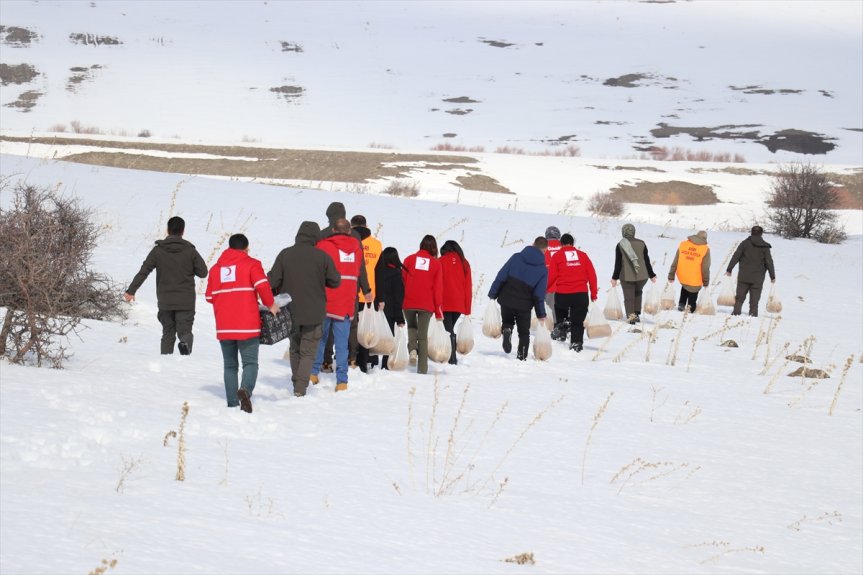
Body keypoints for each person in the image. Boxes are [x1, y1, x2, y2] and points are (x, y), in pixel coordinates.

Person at [205, 234, 279, 413]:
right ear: (246, 248)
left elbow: (208, 296)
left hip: (224, 324)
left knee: (230, 365)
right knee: (250, 363)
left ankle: (232, 403)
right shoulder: (252, 264)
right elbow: (263, 287)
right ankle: (244, 391)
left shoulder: (216, 269)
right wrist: (271, 305)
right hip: (247, 324)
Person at [268, 221, 341, 397]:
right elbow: (335, 281)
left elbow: (272, 281)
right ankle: (300, 388)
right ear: (316, 237)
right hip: (315, 312)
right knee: (308, 351)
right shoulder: (322, 256)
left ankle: (297, 383)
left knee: (294, 348)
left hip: (290, 311)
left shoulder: (285, 254)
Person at [124, 216, 208, 355]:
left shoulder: (158, 250)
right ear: (183, 231)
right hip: (185, 301)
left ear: (168, 230)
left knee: (168, 333)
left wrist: (131, 291)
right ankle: (185, 347)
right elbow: (203, 273)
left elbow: (144, 271)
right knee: (185, 331)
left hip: (165, 301)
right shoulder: (190, 250)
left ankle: (165, 364)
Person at [310, 219, 371, 392]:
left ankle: (313, 374)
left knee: (320, 339)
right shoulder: (357, 249)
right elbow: (360, 271)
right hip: (347, 301)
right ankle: (342, 381)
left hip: (326, 299)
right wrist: (366, 290)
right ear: (349, 231)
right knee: (342, 344)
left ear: (333, 230)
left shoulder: (323, 246)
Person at [319, 202, 372, 372]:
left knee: (326, 326)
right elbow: (360, 265)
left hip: (327, 290)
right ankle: (352, 358)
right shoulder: (355, 235)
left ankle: (326, 361)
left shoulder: (321, 236)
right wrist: (367, 289)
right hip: (351, 288)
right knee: (351, 324)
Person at [488, 237, 549, 361]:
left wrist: (493, 294)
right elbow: (539, 295)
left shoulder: (516, 257)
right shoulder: (542, 269)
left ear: (532, 244)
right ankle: (521, 357)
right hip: (524, 305)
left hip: (507, 298)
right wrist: (541, 314)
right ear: (545, 251)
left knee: (508, 321)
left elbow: (501, 276)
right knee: (524, 333)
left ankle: (507, 330)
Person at [547, 233, 597, 352]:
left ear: (561, 244)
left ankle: (561, 331)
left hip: (562, 294)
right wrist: (593, 293)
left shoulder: (557, 256)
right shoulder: (583, 256)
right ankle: (576, 343)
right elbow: (592, 275)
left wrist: (545, 289)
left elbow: (551, 276)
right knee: (578, 322)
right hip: (580, 295)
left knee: (560, 310)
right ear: (573, 243)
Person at [402, 235, 444, 375]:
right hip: (426, 304)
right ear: (434, 247)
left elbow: (402, 281)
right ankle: (422, 369)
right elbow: (438, 289)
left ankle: (413, 349)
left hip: (408, 301)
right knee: (423, 335)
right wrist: (438, 311)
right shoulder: (436, 264)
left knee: (412, 327)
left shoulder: (409, 259)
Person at [349, 214, 382, 372]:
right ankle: (364, 361)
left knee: (350, 328)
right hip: (370, 293)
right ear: (366, 225)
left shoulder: (349, 241)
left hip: (350, 292)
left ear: (352, 225)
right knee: (366, 330)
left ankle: (350, 359)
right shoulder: (376, 244)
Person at [611, 223, 657, 324]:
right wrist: (651, 274)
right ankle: (636, 314)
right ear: (634, 232)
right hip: (642, 276)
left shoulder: (620, 245)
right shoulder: (642, 243)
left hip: (627, 276)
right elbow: (646, 260)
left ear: (623, 232)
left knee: (629, 297)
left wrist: (614, 278)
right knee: (638, 293)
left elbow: (618, 263)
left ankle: (631, 317)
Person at [726, 225, 776, 317]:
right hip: (758, 278)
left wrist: (729, 269)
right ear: (761, 234)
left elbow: (736, 256)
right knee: (755, 299)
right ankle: (753, 315)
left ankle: (736, 313)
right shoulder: (765, 246)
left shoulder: (744, 243)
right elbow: (769, 262)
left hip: (743, 276)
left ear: (751, 232)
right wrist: (772, 276)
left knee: (739, 298)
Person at [439, 240, 472, 365]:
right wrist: (467, 309)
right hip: (459, 303)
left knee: (448, 329)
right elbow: (468, 285)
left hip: (444, 302)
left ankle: (451, 358)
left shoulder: (440, 261)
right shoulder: (464, 263)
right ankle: (451, 356)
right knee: (449, 328)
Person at [374, 247, 406, 370]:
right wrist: (400, 318)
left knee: (375, 335)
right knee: (388, 339)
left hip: (377, 309)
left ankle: (372, 361)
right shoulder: (397, 274)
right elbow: (398, 298)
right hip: (391, 312)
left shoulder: (377, 272)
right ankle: (385, 365)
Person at [668, 230, 711, 313]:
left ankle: (682, 303)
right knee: (693, 289)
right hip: (695, 277)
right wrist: (706, 281)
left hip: (682, 274)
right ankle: (690, 307)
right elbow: (705, 267)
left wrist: (671, 274)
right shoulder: (705, 249)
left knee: (685, 284)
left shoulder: (683, 244)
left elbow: (675, 260)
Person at [543, 226, 563, 325]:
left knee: (550, 307)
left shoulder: (542, 246)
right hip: (565, 282)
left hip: (548, 283)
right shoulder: (564, 245)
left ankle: (554, 326)